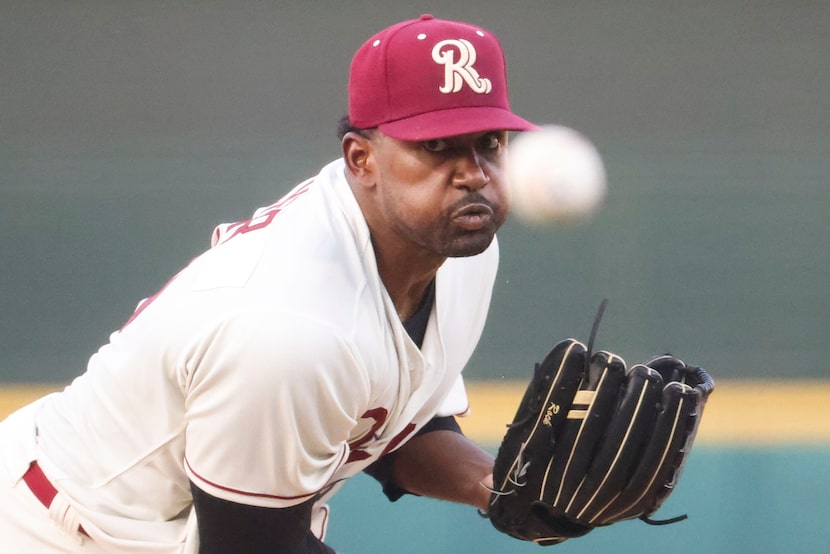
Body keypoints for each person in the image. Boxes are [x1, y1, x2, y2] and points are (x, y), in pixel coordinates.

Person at [0, 14, 537, 553]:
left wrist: (506, 490)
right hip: (49, 533)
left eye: (488, 141)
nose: (474, 173)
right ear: (361, 159)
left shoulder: (455, 245)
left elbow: (392, 420)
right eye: (437, 146)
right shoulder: (289, 324)